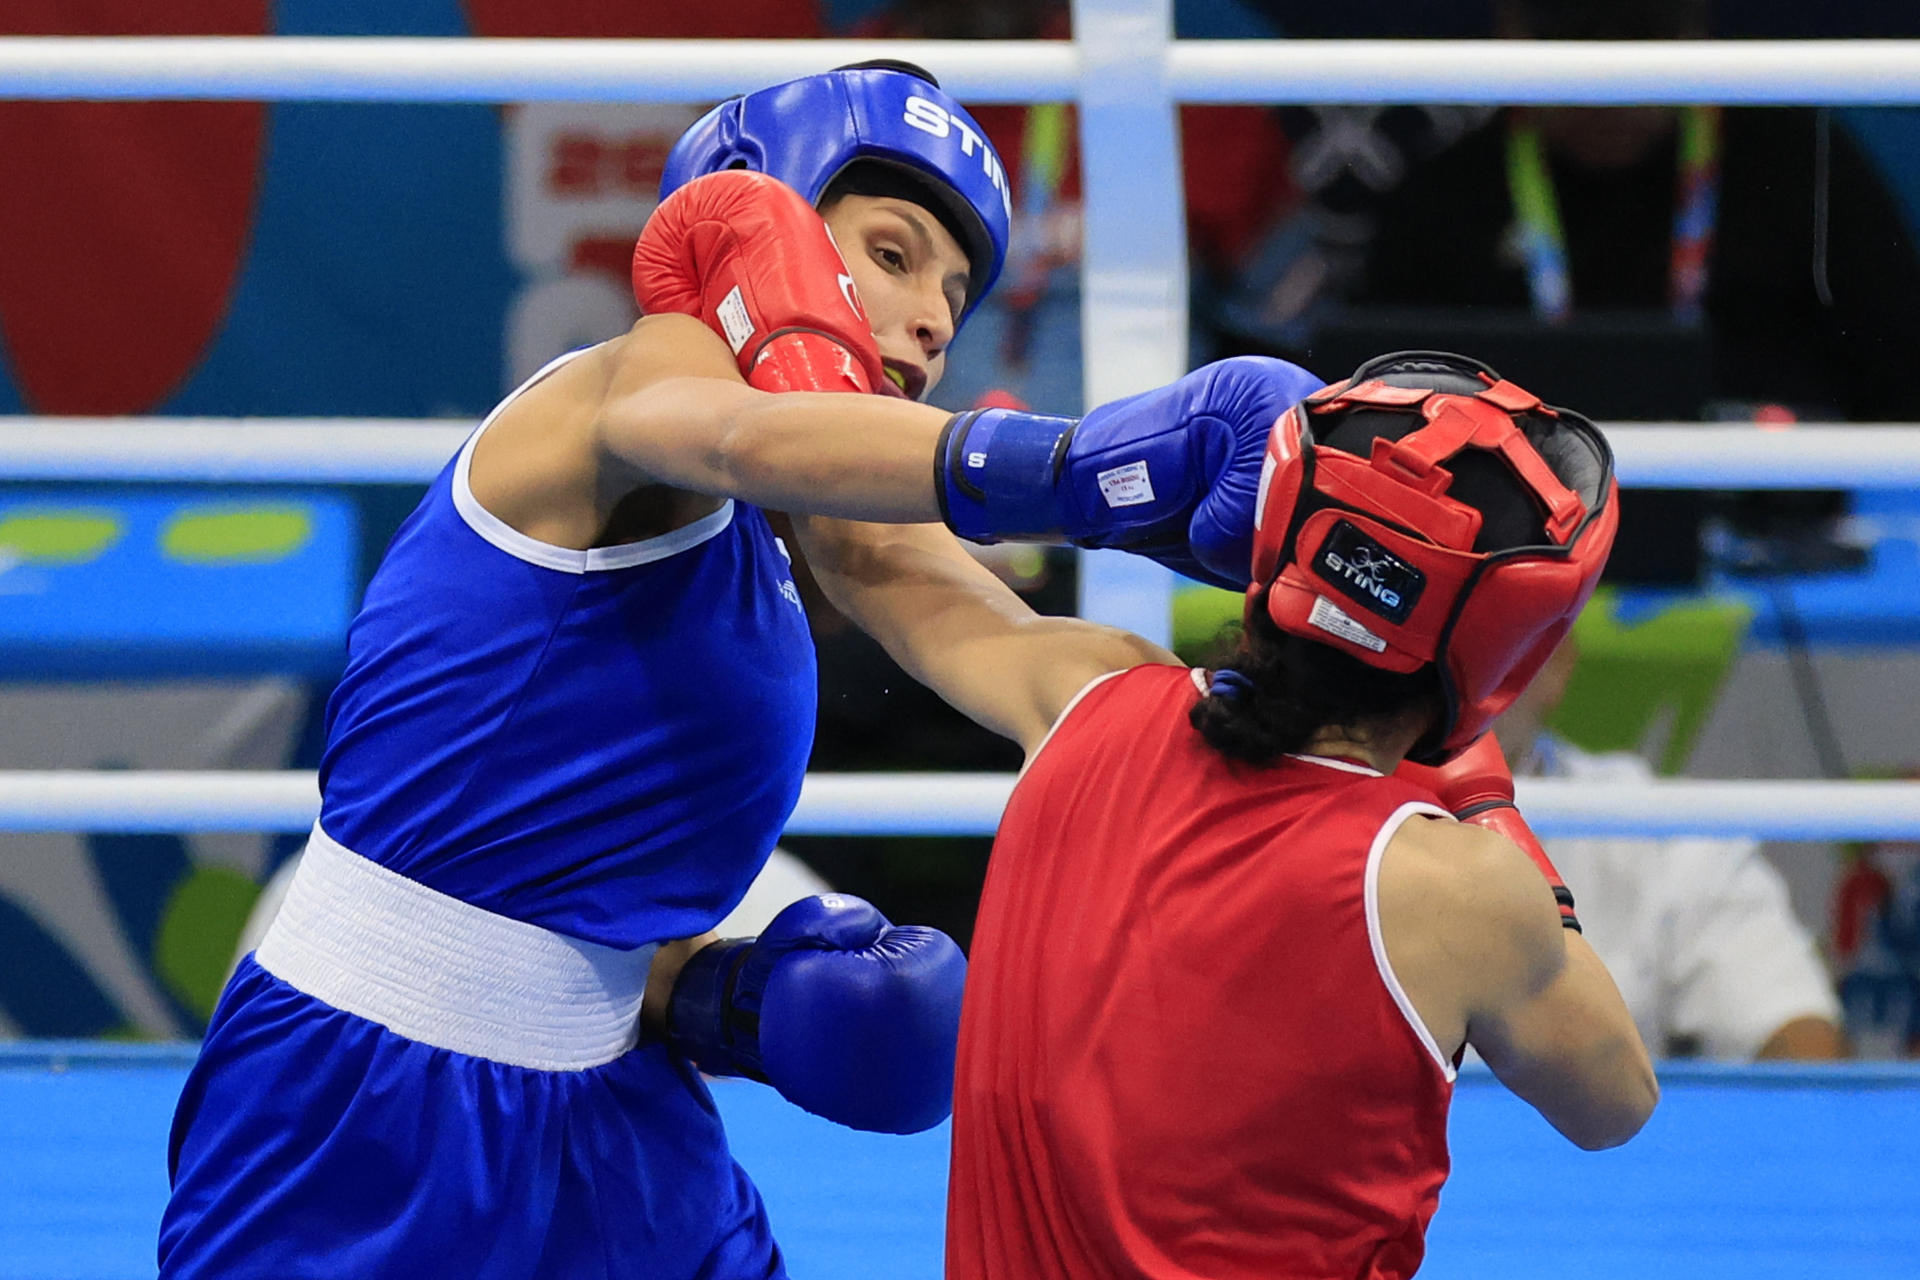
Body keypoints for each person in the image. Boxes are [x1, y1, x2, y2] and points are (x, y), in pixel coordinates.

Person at [158, 61, 1324, 1278]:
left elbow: (1029, 660)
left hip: (616, 1116)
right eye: (892, 252)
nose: (933, 316)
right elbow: (748, 430)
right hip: (368, 1106)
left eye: (954, 291)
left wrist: (1294, 695)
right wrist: (1098, 470)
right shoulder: (631, 382)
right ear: (748, 215)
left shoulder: (821, 528)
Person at [946, 351, 1660, 1278]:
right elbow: (1616, 1104)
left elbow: (870, 552)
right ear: (1505, 651)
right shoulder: (1460, 890)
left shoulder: (1083, 697)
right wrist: (1487, 807)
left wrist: (1072, 472)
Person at [1496, 637, 1847, 1060]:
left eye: (1481, 634)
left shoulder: (1659, 830)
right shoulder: (1395, 820)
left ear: (1555, 659)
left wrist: (1807, 1115)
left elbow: (1794, 1025)